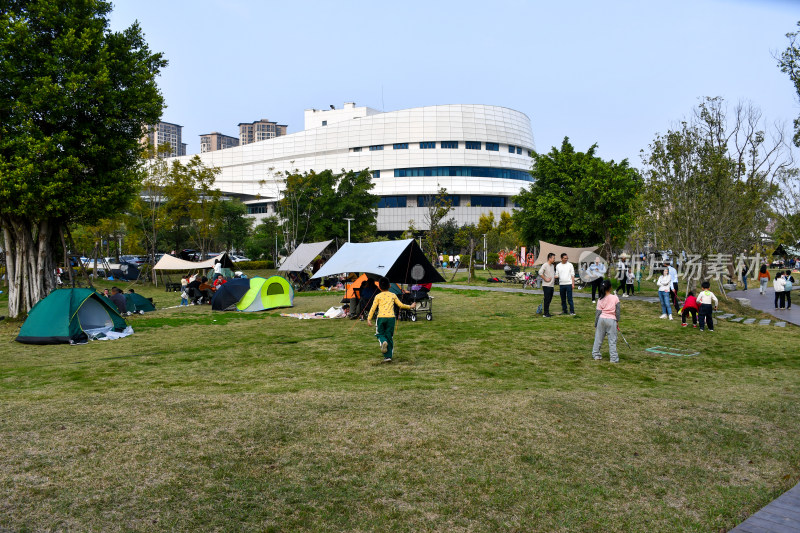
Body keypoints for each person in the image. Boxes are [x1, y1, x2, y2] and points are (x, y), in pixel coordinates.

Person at [367, 277, 416, 363]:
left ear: (379, 287)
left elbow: (373, 308)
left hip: (381, 318)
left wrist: (369, 319)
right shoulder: (393, 295)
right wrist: (410, 306)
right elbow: (400, 305)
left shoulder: (378, 296)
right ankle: (388, 356)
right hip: (391, 318)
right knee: (389, 336)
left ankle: (383, 341)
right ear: (390, 286)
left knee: (380, 334)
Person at [592, 279, 620, 363]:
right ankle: (613, 358)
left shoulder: (600, 299)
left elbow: (598, 313)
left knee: (598, 338)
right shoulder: (615, 297)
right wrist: (617, 321)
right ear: (610, 288)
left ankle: (596, 354)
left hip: (601, 320)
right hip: (611, 320)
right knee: (612, 340)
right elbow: (617, 311)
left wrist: (596, 323)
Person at [538, 253, 556, 318]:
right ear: (549, 258)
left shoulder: (552, 266)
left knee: (550, 299)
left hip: (551, 285)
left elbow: (553, 274)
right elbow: (540, 272)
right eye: (553, 258)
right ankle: (545, 314)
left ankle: (547, 312)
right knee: (547, 299)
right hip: (546, 285)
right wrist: (545, 279)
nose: (554, 259)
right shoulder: (545, 265)